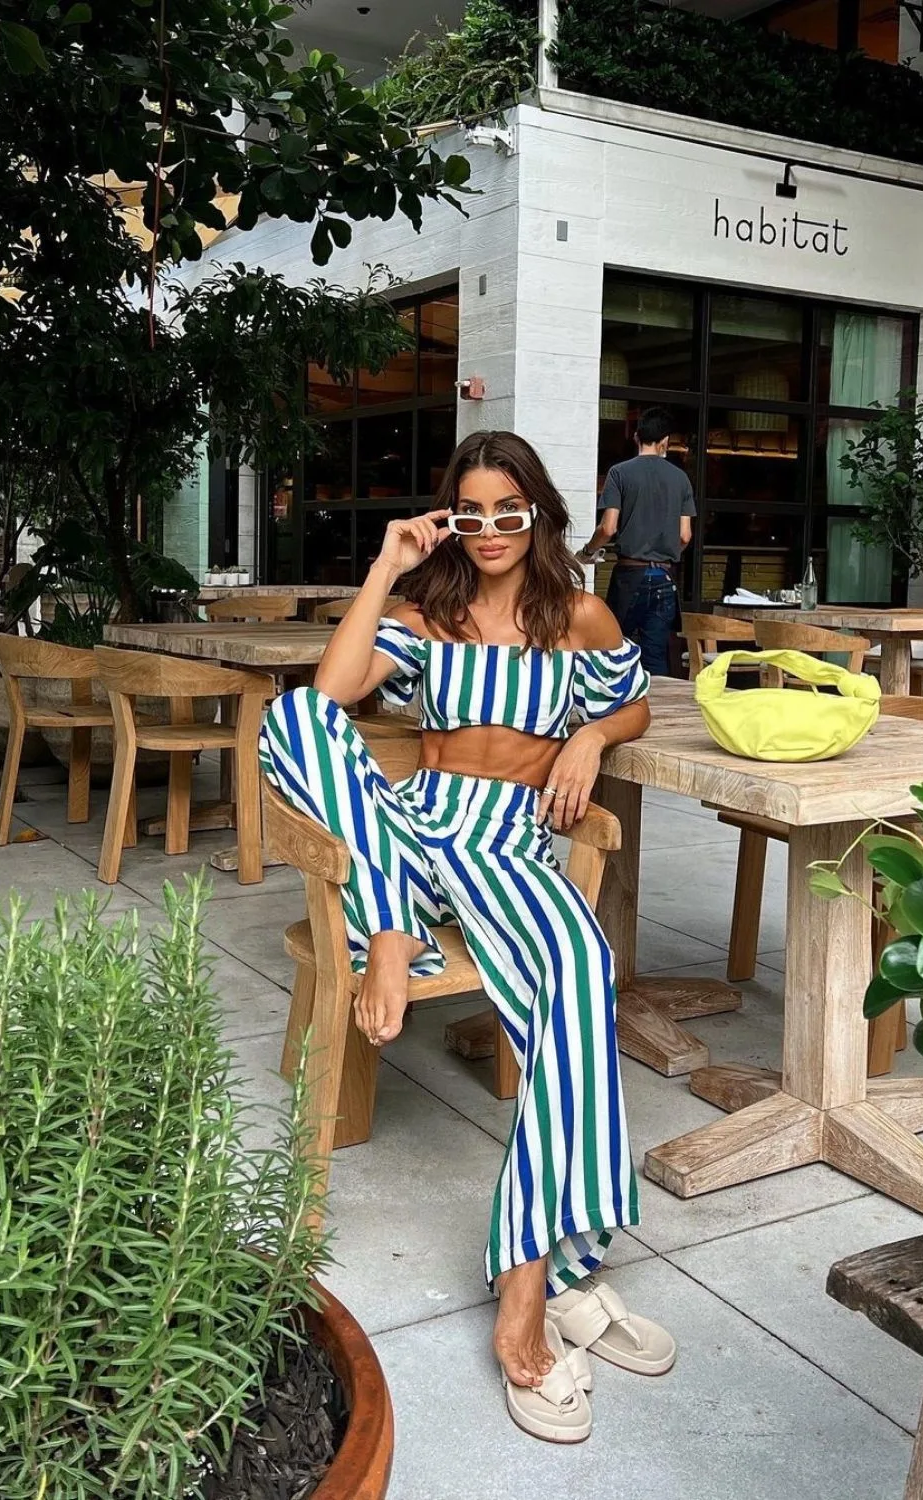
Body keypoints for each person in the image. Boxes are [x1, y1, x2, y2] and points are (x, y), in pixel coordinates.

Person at [259, 431, 675, 1444]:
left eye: (510, 512)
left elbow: (636, 707)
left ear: (538, 515)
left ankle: (537, 1278)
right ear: (450, 516)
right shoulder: (428, 611)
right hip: (416, 823)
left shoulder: (575, 614)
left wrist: (584, 734)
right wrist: (387, 565)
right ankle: (390, 930)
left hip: (508, 843)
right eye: (472, 512)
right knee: (298, 720)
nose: (490, 532)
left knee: (580, 975)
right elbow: (336, 691)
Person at [578, 406, 696, 676]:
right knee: (655, 656)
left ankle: (620, 712)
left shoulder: (619, 473)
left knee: (613, 649)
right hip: (664, 578)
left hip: (630, 575)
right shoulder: (681, 479)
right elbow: (685, 535)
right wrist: (663, 553)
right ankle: (659, 713)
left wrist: (587, 552)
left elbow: (608, 528)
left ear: (636, 437)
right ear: (665, 441)